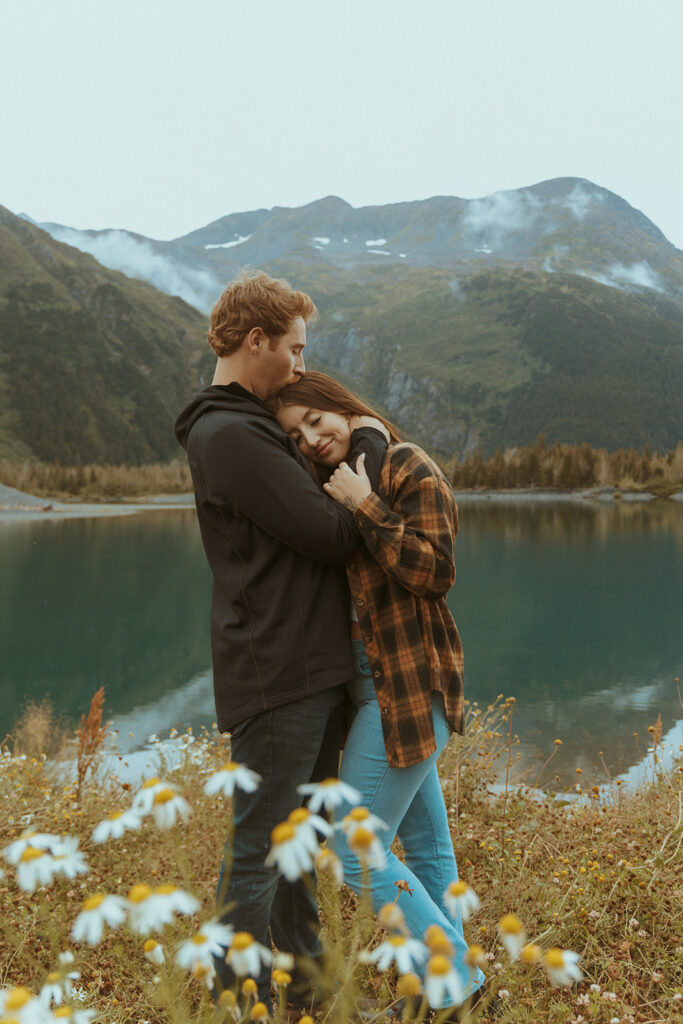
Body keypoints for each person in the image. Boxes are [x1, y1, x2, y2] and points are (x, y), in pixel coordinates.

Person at [174, 272, 389, 1013]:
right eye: (294, 350)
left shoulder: (246, 423)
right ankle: (243, 1002)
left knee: (293, 853)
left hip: (301, 666)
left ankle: (310, 997)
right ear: (256, 340)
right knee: (261, 851)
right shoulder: (231, 431)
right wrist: (364, 434)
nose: (301, 366)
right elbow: (332, 533)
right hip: (278, 672)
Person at [271, 372, 487, 1012]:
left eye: (316, 419)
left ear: (341, 406)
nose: (312, 438)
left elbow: (436, 571)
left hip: (412, 689)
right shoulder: (323, 486)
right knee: (425, 846)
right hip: (367, 697)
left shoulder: (403, 466)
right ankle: (446, 987)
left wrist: (365, 506)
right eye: (296, 434)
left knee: (351, 849)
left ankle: (460, 985)